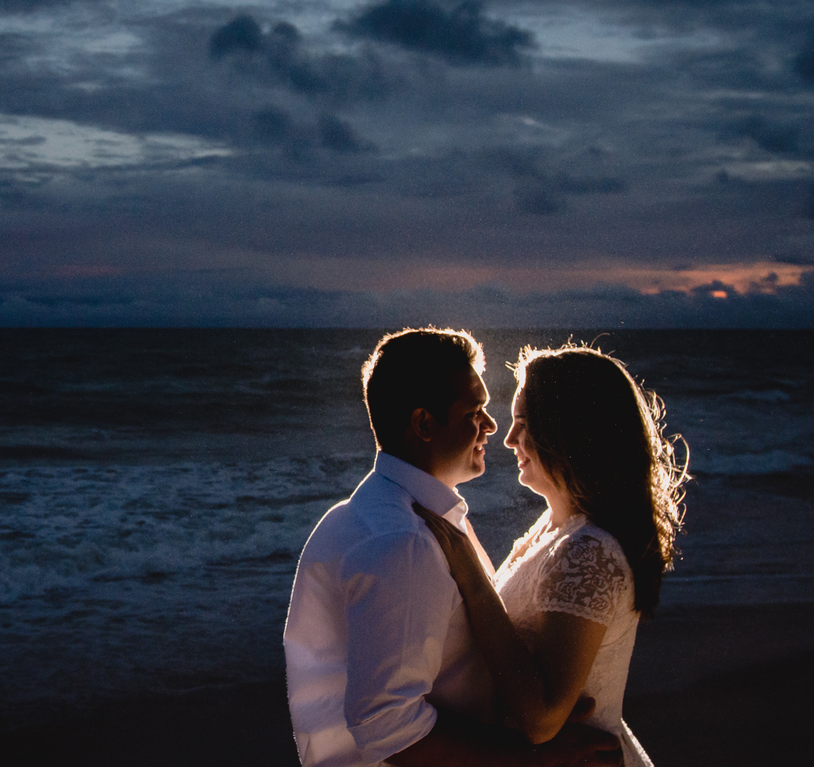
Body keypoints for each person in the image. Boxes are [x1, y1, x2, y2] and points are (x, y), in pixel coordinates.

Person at [283, 328, 623, 767]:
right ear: (424, 423)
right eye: (475, 411)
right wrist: (534, 757)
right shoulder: (403, 543)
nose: (492, 426)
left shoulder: (384, 516)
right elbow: (391, 731)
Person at [414, 344, 688, 767]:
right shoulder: (554, 527)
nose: (508, 438)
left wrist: (470, 575)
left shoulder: (589, 551)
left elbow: (541, 718)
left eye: (523, 423)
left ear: (569, 432)